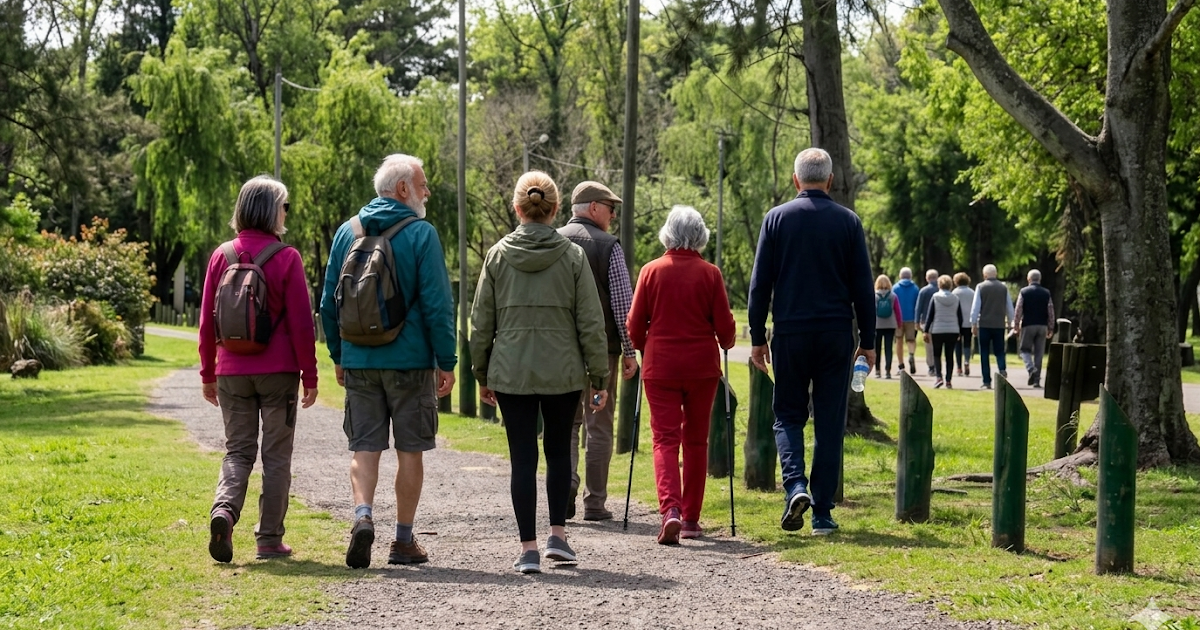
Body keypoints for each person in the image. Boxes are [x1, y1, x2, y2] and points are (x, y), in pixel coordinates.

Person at [320, 154, 457, 569]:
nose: (427, 192)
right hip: (409, 362)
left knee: (364, 447)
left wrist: (339, 355)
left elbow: (328, 302)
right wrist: (446, 360)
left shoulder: (348, 231)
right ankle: (402, 540)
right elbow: (437, 304)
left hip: (360, 360)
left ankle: (363, 516)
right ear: (403, 189)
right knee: (410, 450)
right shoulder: (421, 234)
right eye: (423, 184)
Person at [470, 171, 610, 574]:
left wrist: (482, 374)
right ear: (555, 209)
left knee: (522, 458)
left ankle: (528, 549)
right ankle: (558, 537)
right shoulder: (572, 257)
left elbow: (481, 323)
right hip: (562, 371)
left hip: (511, 371)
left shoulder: (497, 256)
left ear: (517, 208)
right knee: (558, 451)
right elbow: (591, 323)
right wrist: (599, 377)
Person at [748, 148, 875, 536]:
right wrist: (868, 341)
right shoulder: (848, 222)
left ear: (795, 179)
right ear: (830, 180)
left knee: (788, 415)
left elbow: (760, 285)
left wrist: (757, 337)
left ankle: (795, 486)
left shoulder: (776, 219)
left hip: (790, 331)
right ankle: (822, 512)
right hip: (836, 333)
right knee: (830, 421)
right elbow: (863, 288)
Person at [200, 175, 319, 563]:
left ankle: (224, 511)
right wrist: (310, 376)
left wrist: (208, 373)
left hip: (231, 370)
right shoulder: (287, 257)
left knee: (237, 451)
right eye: (285, 206)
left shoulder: (221, 255)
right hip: (278, 372)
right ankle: (269, 539)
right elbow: (302, 325)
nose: (286, 213)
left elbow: (206, 322)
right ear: (272, 211)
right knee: (276, 456)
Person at [626, 206, 737, 544]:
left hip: (661, 366)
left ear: (668, 234)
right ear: (700, 235)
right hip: (702, 368)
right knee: (696, 441)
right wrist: (727, 339)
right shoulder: (711, 274)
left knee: (664, 439)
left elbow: (634, 326)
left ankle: (670, 509)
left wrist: (646, 345)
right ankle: (690, 518)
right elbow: (725, 329)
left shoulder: (650, 271)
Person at [558, 181, 639, 521]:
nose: (613, 215)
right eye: (610, 208)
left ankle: (566, 484)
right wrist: (630, 350)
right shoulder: (608, 246)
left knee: (566, 424)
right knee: (599, 424)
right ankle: (595, 503)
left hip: (560, 353)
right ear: (593, 208)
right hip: (601, 354)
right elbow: (622, 304)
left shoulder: (553, 241)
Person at [970, 264, 1015, 390]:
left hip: (984, 324)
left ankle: (986, 381)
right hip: (999, 324)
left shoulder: (980, 287)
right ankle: (1002, 369)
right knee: (999, 350)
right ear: (996, 274)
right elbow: (1009, 306)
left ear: (985, 275)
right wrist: (1011, 321)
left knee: (984, 353)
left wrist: (973, 323)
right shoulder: (1003, 288)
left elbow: (976, 307)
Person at [1013, 269, 1055, 388]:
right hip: (1042, 326)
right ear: (1040, 279)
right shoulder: (1046, 293)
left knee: (1024, 350)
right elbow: (1050, 311)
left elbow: (1018, 309)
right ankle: (1036, 380)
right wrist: (1051, 327)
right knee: (1039, 353)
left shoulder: (1024, 292)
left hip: (1028, 324)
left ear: (1028, 279)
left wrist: (1016, 325)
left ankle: (1031, 368)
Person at [923, 275, 963, 389]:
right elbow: (960, 317)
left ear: (939, 285)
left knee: (937, 354)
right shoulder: (956, 298)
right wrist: (959, 331)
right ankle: (949, 380)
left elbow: (930, 315)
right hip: (952, 330)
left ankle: (939, 377)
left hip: (938, 329)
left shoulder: (935, 297)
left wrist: (926, 330)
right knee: (949, 356)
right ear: (950, 285)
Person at [873, 275, 902, 379]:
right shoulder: (893, 296)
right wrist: (899, 323)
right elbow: (897, 311)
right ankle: (888, 371)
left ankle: (877, 371)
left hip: (877, 324)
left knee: (877, 348)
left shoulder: (874, 296)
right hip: (890, 324)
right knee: (888, 348)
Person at [893, 267, 919, 374]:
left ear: (900, 276)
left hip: (898, 319)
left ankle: (901, 366)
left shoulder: (895, 288)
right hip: (911, 318)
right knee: (911, 340)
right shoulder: (915, 288)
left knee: (899, 340)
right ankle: (911, 354)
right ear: (910, 276)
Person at [915, 269, 939, 376]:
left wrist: (916, 322)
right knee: (938, 345)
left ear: (927, 278)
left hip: (926, 321)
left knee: (929, 346)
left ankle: (931, 367)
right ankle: (938, 365)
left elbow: (918, 307)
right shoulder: (940, 289)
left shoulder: (923, 291)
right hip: (939, 321)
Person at [952, 272, 976, 377]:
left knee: (957, 344)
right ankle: (967, 360)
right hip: (969, 322)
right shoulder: (972, 292)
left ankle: (959, 367)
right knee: (967, 343)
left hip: (957, 322)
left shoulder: (954, 292)